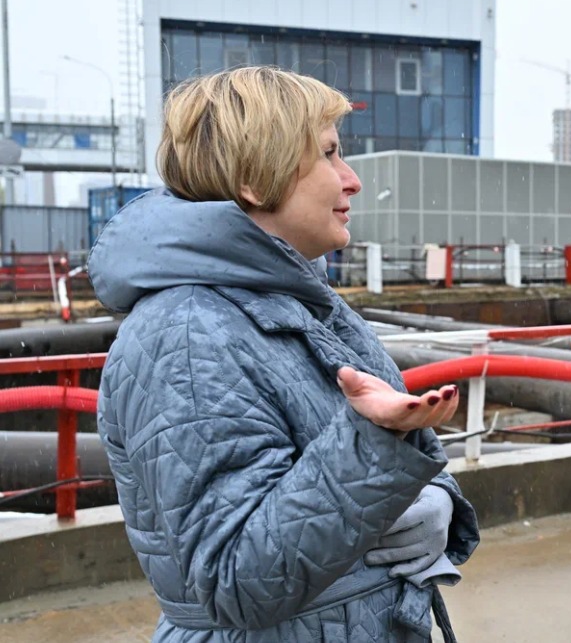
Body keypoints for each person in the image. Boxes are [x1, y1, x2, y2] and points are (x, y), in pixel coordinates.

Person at [90, 66, 479, 642]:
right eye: (329, 154)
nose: (352, 180)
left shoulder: (305, 300)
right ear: (255, 180)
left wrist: (437, 499)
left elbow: (386, 456)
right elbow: (235, 582)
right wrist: (372, 448)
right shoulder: (187, 336)